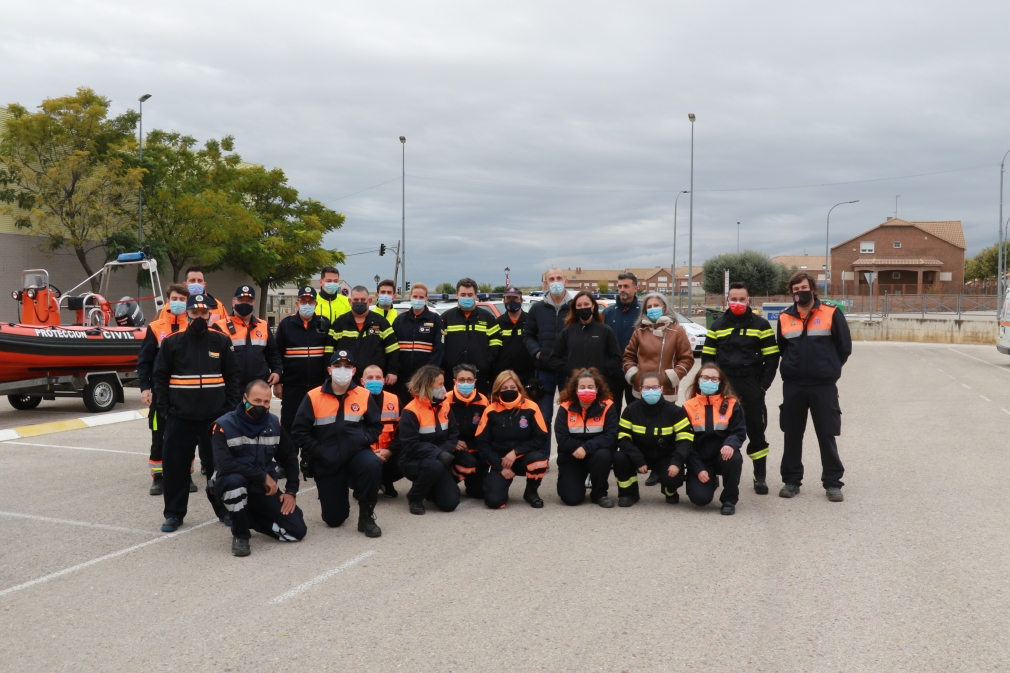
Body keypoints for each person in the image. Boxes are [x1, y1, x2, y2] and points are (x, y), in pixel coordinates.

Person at [152, 293, 241, 532]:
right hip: (180, 417)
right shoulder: (172, 342)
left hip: (215, 419)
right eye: (195, 313)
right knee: (175, 469)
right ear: (187, 314)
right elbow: (159, 377)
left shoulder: (221, 341)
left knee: (220, 468)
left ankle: (224, 511)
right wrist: (166, 409)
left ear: (209, 314)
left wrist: (230, 410)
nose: (199, 317)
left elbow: (233, 377)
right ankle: (173, 514)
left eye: (204, 313)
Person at [290, 350, 384, 537]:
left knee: (372, 464)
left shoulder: (364, 395)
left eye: (347, 366)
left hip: (356, 452)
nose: (343, 370)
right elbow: (299, 431)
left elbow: (375, 426)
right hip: (327, 457)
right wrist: (320, 451)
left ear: (354, 370)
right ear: (329, 370)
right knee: (334, 520)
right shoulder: (313, 396)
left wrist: (364, 439)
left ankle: (366, 516)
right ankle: (339, 498)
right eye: (338, 366)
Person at [776, 271, 851, 502]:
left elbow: (844, 347)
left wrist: (829, 368)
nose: (800, 292)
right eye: (796, 290)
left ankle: (832, 483)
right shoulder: (784, 317)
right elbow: (782, 348)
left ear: (813, 289)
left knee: (826, 434)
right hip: (794, 385)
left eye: (803, 288)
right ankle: (791, 481)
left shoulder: (831, 312)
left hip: (823, 386)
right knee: (792, 433)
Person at [701, 281, 780, 494]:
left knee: (756, 431)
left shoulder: (761, 325)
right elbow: (707, 359)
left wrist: (762, 386)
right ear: (727, 301)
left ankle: (760, 476)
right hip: (724, 385)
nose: (737, 303)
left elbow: (772, 358)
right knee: (718, 430)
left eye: (741, 299)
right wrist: (711, 384)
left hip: (751, 384)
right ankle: (717, 472)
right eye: (733, 299)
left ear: (748, 300)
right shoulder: (717, 326)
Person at [212, 380, 306, 556]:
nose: (262, 406)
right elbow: (225, 465)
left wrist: (291, 491)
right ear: (245, 398)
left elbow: (290, 457)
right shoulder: (224, 425)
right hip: (233, 482)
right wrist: (262, 476)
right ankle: (240, 535)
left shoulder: (274, 423)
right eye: (257, 401)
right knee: (235, 482)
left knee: (296, 531)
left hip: (261, 489)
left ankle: (246, 517)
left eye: (266, 402)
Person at [137, 283, 197, 496]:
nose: (178, 302)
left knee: (187, 435)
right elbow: (144, 360)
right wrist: (145, 387)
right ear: (168, 300)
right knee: (159, 434)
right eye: (175, 298)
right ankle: (159, 477)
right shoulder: (155, 327)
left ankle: (186, 473)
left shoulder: (192, 327)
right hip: (160, 393)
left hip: (185, 392)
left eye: (182, 298)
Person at [612, 371, 694, 507]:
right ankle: (628, 494)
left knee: (674, 478)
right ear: (640, 390)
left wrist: (676, 461)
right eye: (647, 388)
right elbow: (622, 437)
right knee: (619, 457)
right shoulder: (631, 411)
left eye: (655, 387)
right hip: (639, 455)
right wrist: (637, 458)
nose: (651, 391)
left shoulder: (675, 411)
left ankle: (669, 491)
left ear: (661, 389)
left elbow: (685, 439)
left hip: (665, 456)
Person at [474, 370, 550, 509]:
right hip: (500, 460)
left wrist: (516, 452)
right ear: (498, 390)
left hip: (523, 457)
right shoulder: (490, 410)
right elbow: (482, 443)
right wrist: (500, 466)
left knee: (539, 461)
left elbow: (541, 437)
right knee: (494, 502)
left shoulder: (531, 407)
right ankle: (498, 485)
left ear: (519, 388)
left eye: (512, 388)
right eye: (504, 388)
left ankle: (531, 492)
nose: (509, 391)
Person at [396, 365, 461, 515]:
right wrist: (438, 453)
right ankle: (414, 498)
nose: (443, 388)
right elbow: (410, 445)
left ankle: (430, 488)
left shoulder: (445, 405)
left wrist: (442, 452)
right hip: (413, 460)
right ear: (427, 386)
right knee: (434, 466)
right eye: (440, 384)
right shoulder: (411, 411)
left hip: (439, 458)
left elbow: (453, 435)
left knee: (450, 503)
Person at [683, 363, 745, 515]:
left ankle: (729, 499)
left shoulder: (731, 404)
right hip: (701, 460)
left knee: (734, 459)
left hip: (723, 455)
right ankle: (711, 481)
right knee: (700, 499)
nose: (709, 381)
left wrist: (730, 444)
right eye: (705, 377)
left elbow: (739, 431)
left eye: (714, 378)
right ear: (698, 380)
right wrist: (698, 469)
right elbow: (684, 443)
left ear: (720, 382)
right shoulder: (688, 407)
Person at [523, 267, 572, 456]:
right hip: (544, 371)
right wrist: (537, 353)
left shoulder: (574, 307)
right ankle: (541, 455)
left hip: (568, 370)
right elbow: (528, 335)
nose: (556, 281)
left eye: (559, 278)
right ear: (546, 282)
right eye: (552, 278)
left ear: (566, 281)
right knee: (543, 415)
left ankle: (568, 455)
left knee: (569, 414)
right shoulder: (537, 308)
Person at [554, 368, 618, 508]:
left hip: (595, 453)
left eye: (590, 387)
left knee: (603, 455)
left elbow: (610, 436)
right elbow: (562, 438)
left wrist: (586, 448)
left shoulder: (607, 405)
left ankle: (599, 493)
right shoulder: (565, 407)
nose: (586, 390)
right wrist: (579, 449)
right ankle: (577, 479)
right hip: (571, 455)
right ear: (575, 389)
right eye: (582, 387)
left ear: (597, 389)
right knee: (571, 499)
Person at [273, 286, 331, 431]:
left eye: (310, 301)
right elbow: (277, 354)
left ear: (316, 304)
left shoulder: (324, 323)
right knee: (290, 426)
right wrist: (278, 382)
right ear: (297, 303)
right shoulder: (286, 324)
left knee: (316, 427)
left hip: (319, 386)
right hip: (292, 387)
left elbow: (330, 354)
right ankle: (289, 454)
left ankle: (311, 454)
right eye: (303, 301)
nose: (307, 304)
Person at [212, 285, 282, 390]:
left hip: (259, 388)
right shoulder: (220, 326)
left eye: (249, 300)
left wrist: (277, 371)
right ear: (233, 302)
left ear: (254, 302)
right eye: (241, 300)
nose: (245, 303)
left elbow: (273, 353)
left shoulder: (263, 325)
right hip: (231, 389)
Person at [327, 285, 400, 386]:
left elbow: (393, 349)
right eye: (356, 299)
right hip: (346, 379)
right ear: (350, 301)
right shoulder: (339, 323)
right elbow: (328, 351)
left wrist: (392, 371)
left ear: (369, 301)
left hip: (373, 379)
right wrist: (329, 374)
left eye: (363, 299)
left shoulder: (381, 322)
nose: (359, 302)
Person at [440, 278, 501, 395]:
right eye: (463, 294)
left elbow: (496, 342)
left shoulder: (487, 318)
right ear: (457, 295)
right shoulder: (446, 318)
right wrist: (446, 363)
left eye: (470, 294)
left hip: (480, 376)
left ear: (476, 295)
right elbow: (439, 344)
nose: (466, 297)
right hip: (451, 377)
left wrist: (485, 362)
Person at [548, 291, 622, 385]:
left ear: (593, 306)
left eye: (586, 304)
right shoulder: (567, 332)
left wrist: (602, 370)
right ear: (575, 308)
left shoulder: (605, 330)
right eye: (579, 305)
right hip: (574, 383)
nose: (583, 307)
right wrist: (569, 370)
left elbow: (616, 358)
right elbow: (553, 358)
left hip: (598, 383)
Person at [391, 282, 444, 408]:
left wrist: (428, 373)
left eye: (421, 297)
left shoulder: (435, 319)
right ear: (410, 296)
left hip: (424, 379)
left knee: (423, 409)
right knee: (403, 410)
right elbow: (392, 348)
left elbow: (439, 348)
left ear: (426, 298)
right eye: (415, 296)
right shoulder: (400, 319)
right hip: (402, 378)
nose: (418, 300)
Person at [444, 363, 491, 498]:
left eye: (469, 380)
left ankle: (469, 481)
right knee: (467, 462)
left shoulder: (483, 401)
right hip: (452, 448)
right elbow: (439, 427)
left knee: (478, 493)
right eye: (462, 380)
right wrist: (453, 442)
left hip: (476, 448)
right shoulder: (445, 400)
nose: (466, 383)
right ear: (455, 381)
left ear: (475, 381)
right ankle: (448, 482)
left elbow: (487, 430)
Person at [360, 364, 403, 498]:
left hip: (389, 453)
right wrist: (368, 454)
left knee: (409, 455)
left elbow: (405, 432)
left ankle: (386, 482)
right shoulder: (353, 400)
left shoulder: (394, 400)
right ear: (362, 381)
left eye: (378, 377)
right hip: (363, 454)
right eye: (370, 377)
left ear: (384, 380)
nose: (374, 380)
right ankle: (361, 484)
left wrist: (390, 451)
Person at [603, 271, 641, 414]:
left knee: (635, 412)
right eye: (620, 286)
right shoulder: (608, 313)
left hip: (636, 373)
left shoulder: (642, 313)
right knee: (612, 412)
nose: (622, 290)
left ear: (636, 288)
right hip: (612, 374)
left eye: (626, 286)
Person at [493, 286, 536, 387]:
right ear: (504, 300)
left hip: (527, 375)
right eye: (508, 298)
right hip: (504, 376)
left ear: (521, 300)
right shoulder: (497, 323)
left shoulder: (531, 321)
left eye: (515, 298)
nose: (511, 301)